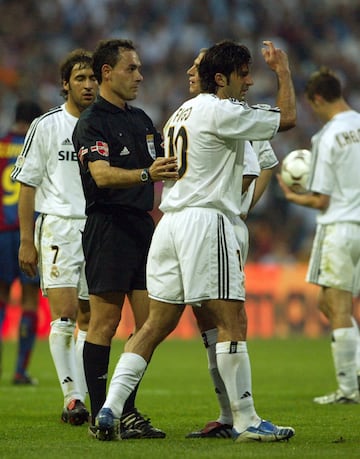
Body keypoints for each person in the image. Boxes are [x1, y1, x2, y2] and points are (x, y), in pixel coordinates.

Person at [94, 39, 296, 443]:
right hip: (208, 221)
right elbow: (288, 118)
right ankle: (247, 419)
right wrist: (284, 72)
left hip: (170, 223)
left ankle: (109, 409)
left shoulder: (179, 113)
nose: (249, 82)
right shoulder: (222, 111)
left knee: (155, 323)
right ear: (221, 79)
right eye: (243, 75)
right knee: (232, 320)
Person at [72, 38, 178, 440]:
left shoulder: (141, 120)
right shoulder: (92, 122)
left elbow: (166, 161)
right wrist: (148, 174)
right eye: (131, 69)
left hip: (141, 226)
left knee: (150, 323)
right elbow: (101, 175)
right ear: (107, 73)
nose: (140, 75)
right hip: (107, 225)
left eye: (138, 68)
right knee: (105, 322)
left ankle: (123, 410)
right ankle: (103, 414)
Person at [184, 49, 279, 438]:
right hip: (201, 223)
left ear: (214, 74)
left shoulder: (235, 114)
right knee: (210, 318)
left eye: (197, 66)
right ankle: (231, 414)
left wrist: (240, 210)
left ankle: (238, 415)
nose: (190, 71)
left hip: (218, 223)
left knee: (228, 318)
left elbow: (262, 165)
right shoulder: (195, 114)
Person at [11, 49, 98, 424]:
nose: (88, 85)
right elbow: (27, 187)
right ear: (66, 84)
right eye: (80, 78)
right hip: (59, 227)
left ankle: (81, 393)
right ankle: (73, 398)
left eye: (93, 78)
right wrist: (26, 240)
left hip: (97, 227)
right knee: (63, 315)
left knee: (89, 317)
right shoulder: (46, 125)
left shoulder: (105, 125)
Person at [277, 67, 360, 404]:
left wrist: (295, 197)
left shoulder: (326, 137)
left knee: (337, 305)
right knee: (329, 302)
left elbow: (322, 199)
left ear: (317, 99)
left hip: (340, 226)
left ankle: (348, 388)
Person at [0, 100, 42, 385]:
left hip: (1, 231)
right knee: (29, 302)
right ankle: (19, 371)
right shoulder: (34, 148)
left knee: (1, 300)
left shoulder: (1, 145)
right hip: (27, 231)